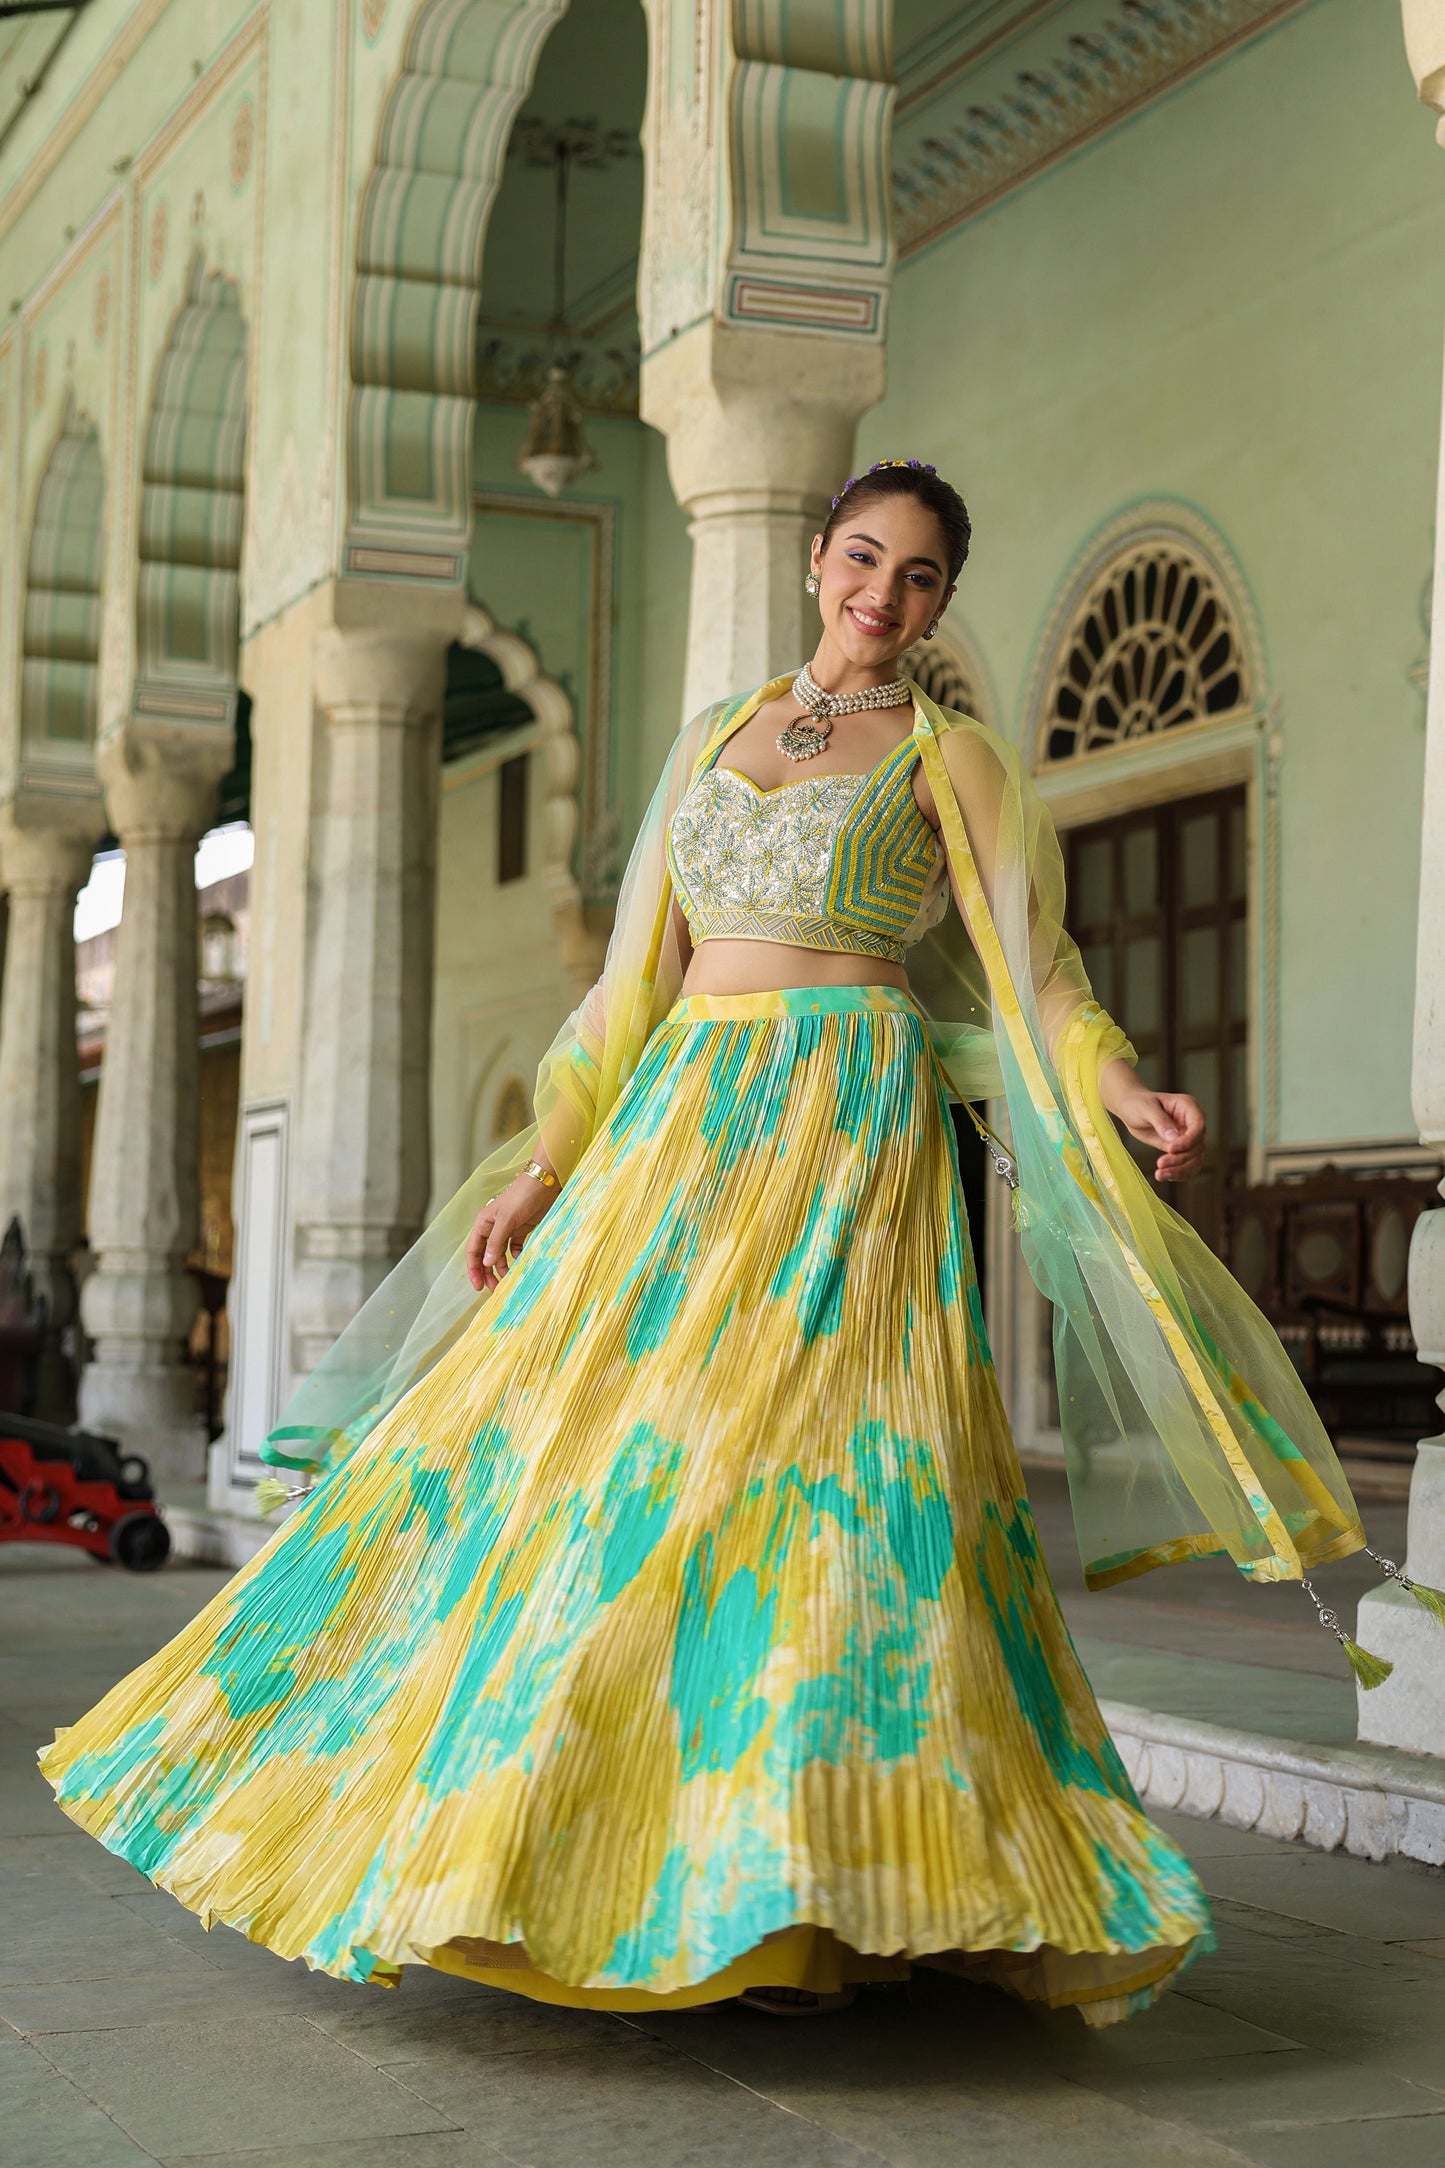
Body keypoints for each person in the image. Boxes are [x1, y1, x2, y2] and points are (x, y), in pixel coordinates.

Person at [40, 459, 1379, 2027]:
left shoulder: (957, 766)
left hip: (847, 1137)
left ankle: (815, 1892)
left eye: (923, 574)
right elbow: (627, 994)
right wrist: (544, 1174)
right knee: (600, 1469)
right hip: (678, 1132)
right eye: (865, 557)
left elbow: (1043, 970)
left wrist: (1114, 1082)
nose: (884, 593)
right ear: (817, 559)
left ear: (943, 599)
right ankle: (563, 1848)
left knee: (826, 1484)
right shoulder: (710, 742)